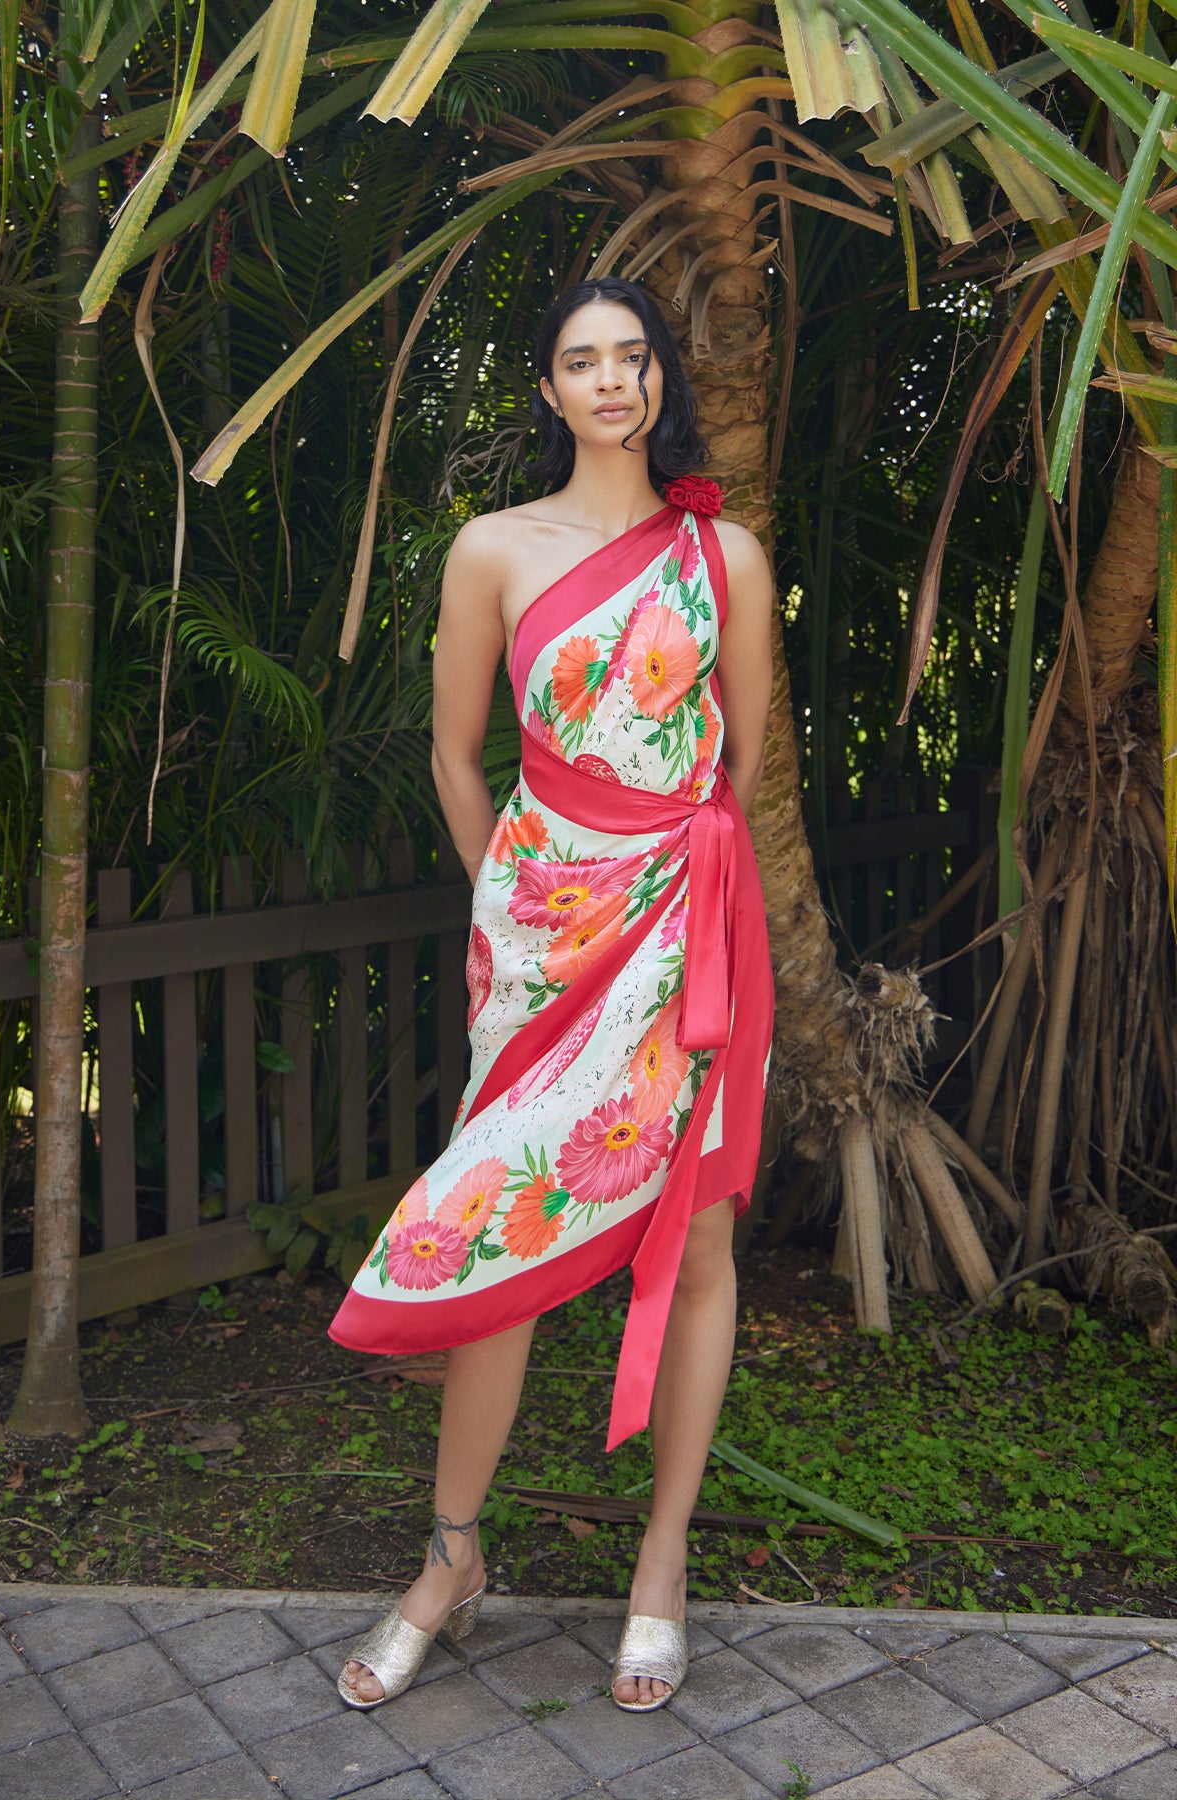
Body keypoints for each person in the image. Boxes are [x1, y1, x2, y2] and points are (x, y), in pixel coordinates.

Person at [330, 277, 774, 1713]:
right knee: (499, 1232)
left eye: (632, 356)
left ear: (659, 379)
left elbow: (741, 772)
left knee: (696, 1242)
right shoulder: (490, 551)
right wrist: (509, 907)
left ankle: (660, 1563)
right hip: (536, 939)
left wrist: (663, 893)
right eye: (580, 359)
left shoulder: (726, 557)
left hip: (685, 932)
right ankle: (452, 1555)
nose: (609, 381)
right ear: (545, 387)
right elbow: (460, 753)